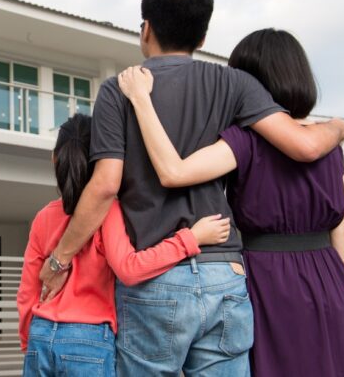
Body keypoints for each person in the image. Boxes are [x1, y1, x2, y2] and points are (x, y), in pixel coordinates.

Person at [37, 0, 344, 376]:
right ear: (202, 37)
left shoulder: (118, 90)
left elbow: (105, 185)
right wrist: (337, 127)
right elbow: (301, 144)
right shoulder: (236, 84)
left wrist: (59, 260)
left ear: (146, 29)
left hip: (154, 278)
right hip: (224, 273)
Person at [117, 28, 344, 377]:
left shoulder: (244, 141)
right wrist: (338, 288)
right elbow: (343, 231)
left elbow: (174, 171)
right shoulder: (329, 145)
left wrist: (142, 101)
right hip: (331, 279)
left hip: (268, 279)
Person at [17, 113, 232, 377]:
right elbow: (130, 268)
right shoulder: (109, 211)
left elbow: (28, 290)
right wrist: (191, 238)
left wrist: (28, 341)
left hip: (40, 334)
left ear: (54, 159)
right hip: (89, 340)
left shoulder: (44, 217)